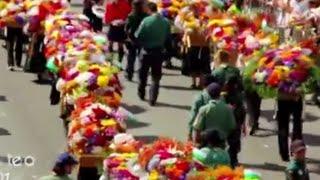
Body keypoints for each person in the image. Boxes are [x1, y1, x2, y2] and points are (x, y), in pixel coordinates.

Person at [212, 50, 246, 167]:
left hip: (221, 105)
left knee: (220, 131)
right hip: (236, 106)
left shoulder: (216, 72)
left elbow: (212, 90)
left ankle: (219, 157)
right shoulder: (236, 71)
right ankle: (233, 158)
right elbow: (242, 88)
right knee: (235, 133)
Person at [135, 2, 171, 106]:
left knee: (143, 74)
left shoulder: (146, 20)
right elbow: (168, 37)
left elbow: (138, 34)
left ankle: (141, 92)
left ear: (149, 9)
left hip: (146, 51)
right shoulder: (166, 22)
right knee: (156, 77)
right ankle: (153, 98)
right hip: (159, 52)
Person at [124, 0, 148, 81]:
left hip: (132, 39)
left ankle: (129, 74)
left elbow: (126, 28)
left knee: (131, 58)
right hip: (142, 39)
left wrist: (127, 36)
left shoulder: (131, 16)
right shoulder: (145, 16)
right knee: (142, 59)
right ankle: (141, 75)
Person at [188, 75, 217, 140]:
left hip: (203, 133)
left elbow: (193, 117)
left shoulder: (200, 98)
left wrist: (189, 134)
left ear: (204, 85)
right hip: (218, 135)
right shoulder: (222, 99)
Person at [276, 92, 303, 162]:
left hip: (283, 96)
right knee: (297, 125)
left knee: (283, 125)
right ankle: (296, 150)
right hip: (296, 95)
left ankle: (284, 154)